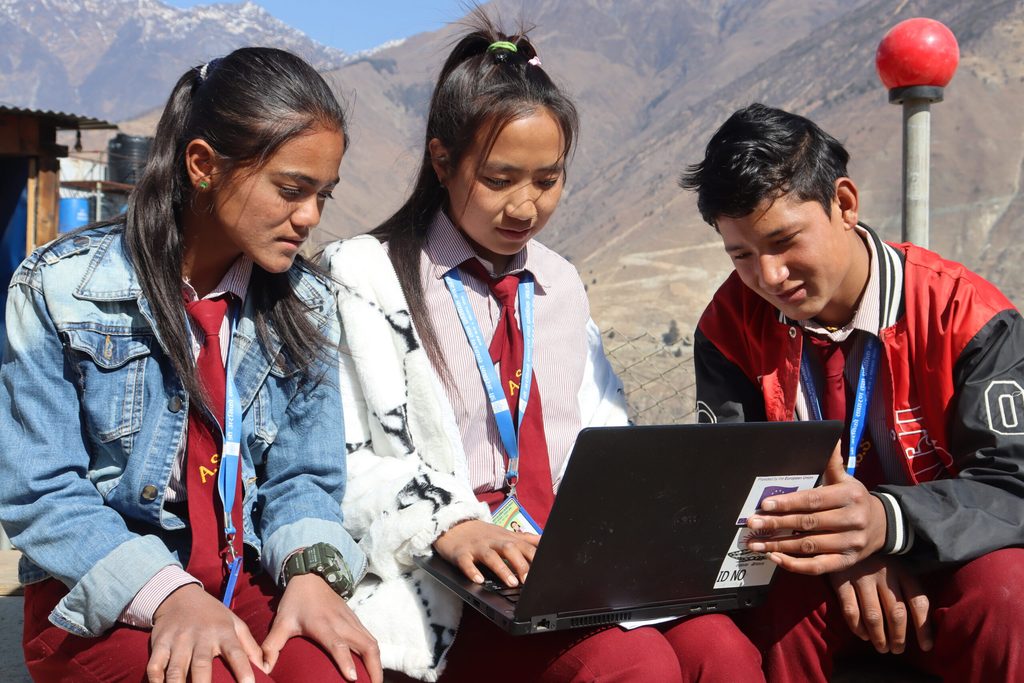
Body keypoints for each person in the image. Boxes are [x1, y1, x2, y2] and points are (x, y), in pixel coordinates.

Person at [323, 10, 764, 683]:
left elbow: (603, 430)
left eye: (547, 179)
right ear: (443, 161)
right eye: (499, 179)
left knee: (723, 650)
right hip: (455, 572)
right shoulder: (366, 278)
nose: (525, 206)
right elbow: (346, 454)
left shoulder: (558, 282)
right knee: (632, 663)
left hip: (570, 563)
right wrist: (449, 525)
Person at [0, 47, 382, 683]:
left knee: (341, 671)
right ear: (203, 165)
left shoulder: (307, 302)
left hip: (244, 578)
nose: (311, 217)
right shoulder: (57, 288)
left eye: (323, 194)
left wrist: (312, 574)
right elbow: (40, 492)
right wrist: (170, 595)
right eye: (291, 190)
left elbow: (304, 479)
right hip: (103, 595)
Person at [682, 103, 1024, 682]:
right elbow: (734, 487)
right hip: (815, 570)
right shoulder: (729, 326)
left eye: (784, 240)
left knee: (1008, 597)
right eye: (741, 254)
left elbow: (1011, 487)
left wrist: (888, 523)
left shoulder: (966, 316)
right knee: (777, 606)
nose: (769, 277)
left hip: (946, 561)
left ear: (843, 204)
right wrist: (839, 550)